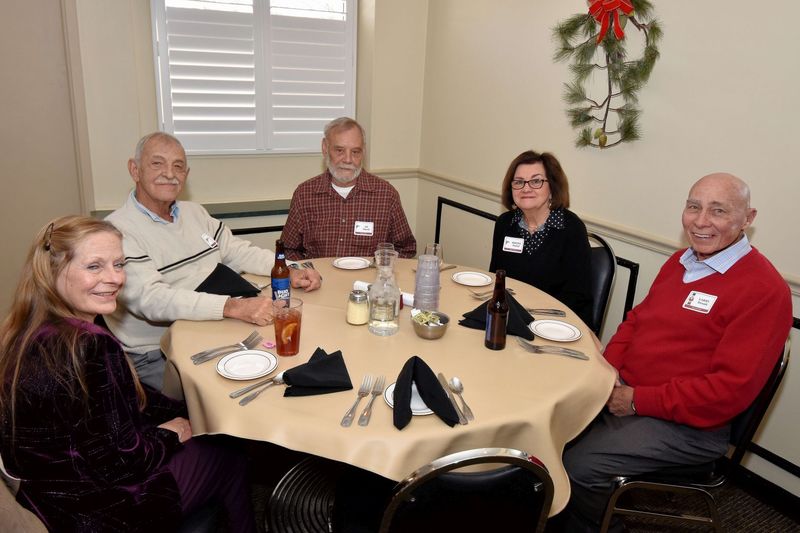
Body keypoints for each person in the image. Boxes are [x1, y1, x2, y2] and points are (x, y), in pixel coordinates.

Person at [560, 173, 792, 532]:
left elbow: (726, 393)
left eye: (718, 211)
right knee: (551, 430)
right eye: (694, 207)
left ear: (748, 218)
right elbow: (637, 321)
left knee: (577, 468)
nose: (701, 221)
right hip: (629, 393)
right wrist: (607, 371)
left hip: (689, 425)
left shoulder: (764, 290)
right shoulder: (683, 261)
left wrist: (636, 400)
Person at [0, 216, 256, 532]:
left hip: (48, 497)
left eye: (119, 265)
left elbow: (120, 408)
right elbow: (124, 462)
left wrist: (183, 413)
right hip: (99, 511)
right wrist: (172, 433)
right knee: (227, 453)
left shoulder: (24, 329)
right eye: (94, 266)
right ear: (52, 271)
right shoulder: (89, 344)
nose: (114, 279)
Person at [105, 131, 322, 389]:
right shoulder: (117, 232)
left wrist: (288, 271)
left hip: (214, 327)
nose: (169, 173)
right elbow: (153, 300)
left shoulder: (193, 212)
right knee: (240, 391)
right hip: (159, 353)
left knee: (293, 365)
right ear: (135, 169)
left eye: (178, 166)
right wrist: (233, 307)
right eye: (157, 163)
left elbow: (237, 250)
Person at [281, 117, 417, 260]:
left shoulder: (386, 195)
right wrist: (306, 274)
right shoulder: (305, 194)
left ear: (363, 152)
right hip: (320, 280)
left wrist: (382, 270)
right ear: (325, 148)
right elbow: (289, 249)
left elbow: (406, 248)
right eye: (339, 150)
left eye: (355, 152)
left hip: (369, 281)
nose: (348, 159)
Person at [489, 150, 592, 325]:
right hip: (510, 319)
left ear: (552, 187)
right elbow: (497, 280)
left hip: (556, 323)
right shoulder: (505, 224)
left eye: (536, 181)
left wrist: (535, 321)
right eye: (519, 182)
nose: (526, 188)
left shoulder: (571, 229)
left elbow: (577, 298)